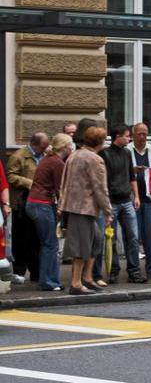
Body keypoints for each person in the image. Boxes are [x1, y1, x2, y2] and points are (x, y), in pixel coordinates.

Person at [59, 126, 112, 295]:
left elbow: (64, 181)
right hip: (83, 208)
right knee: (81, 246)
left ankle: (87, 278)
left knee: (95, 240)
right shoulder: (95, 160)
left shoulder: (74, 155)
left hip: (74, 206)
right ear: (100, 142)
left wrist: (62, 204)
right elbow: (100, 188)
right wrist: (108, 210)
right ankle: (76, 283)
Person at [98, 124, 146, 285]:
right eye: (126, 135)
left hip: (126, 201)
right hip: (112, 202)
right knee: (111, 240)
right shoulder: (104, 154)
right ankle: (113, 270)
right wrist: (106, 204)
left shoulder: (127, 153)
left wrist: (136, 196)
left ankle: (134, 271)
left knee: (132, 237)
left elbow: (131, 176)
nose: (129, 138)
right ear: (118, 136)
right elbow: (102, 181)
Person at [25, 133, 71, 291]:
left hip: (35, 203)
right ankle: (48, 282)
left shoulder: (48, 158)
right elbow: (61, 189)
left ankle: (47, 280)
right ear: (65, 147)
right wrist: (62, 209)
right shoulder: (57, 162)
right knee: (50, 244)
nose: (72, 148)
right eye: (70, 145)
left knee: (46, 243)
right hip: (42, 204)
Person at [7, 131, 49, 283]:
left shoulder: (44, 155)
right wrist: (29, 183)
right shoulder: (18, 156)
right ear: (34, 144)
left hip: (39, 200)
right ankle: (19, 271)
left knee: (36, 238)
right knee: (22, 238)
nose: (45, 149)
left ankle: (36, 272)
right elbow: (11, 176)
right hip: (22, 202)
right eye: (43, 146)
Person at [131, 122, 151, 279]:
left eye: (145, 134)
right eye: (139, 134)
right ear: (133, 135)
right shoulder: (127, 151)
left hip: (150, 198)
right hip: (132, 200)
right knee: (133, 236)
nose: (143, 137)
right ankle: (134, 269)